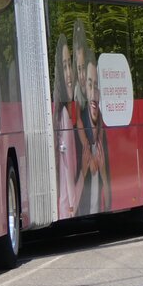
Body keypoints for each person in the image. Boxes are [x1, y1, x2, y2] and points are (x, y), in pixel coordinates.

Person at [54, 33, 84, 217]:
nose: (69, 74)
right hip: (67, 210)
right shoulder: (64, 116)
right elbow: (68, 174)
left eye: (69, 65)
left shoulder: (60, 113)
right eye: (64, 66)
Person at [79, 56, 111, 214]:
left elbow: (108, 204)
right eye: (89, 84)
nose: (93, 91)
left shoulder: (101, 142)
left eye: (96, 86)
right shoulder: (82, 144)